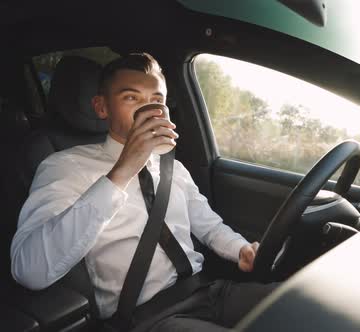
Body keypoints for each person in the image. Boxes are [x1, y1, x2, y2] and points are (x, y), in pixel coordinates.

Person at [10, 53, 276, 330]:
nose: (150, 109)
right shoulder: (63, 165)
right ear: (102, 108)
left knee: (302, 308)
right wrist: (122, 172)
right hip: (146, 318)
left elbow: (207, 225)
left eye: (157, 100)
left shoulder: (173, 166)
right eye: (131, 98)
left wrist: (240, 249)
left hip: (208, 291)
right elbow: (29, 270)